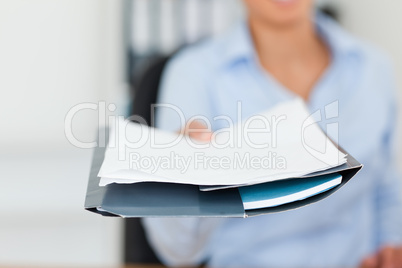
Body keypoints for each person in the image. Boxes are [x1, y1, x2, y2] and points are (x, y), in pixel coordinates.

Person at [142, 0, 402, 267]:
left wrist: (391, 247)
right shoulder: (193, 74)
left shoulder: (373, 67)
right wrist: (184, 179)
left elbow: (385, 184)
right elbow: (177, 252)